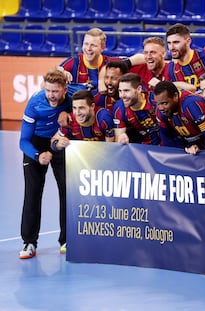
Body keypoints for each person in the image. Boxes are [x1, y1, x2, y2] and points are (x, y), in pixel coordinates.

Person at [19, 69, 72, 259]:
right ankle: (29, 242)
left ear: (64, 89)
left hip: (59, 142)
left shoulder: (71, 97)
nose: (51, 95)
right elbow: (23, 141)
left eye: (55, 91)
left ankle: (66, 240)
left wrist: (68, 113)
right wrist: (37, 155)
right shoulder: (34, 103)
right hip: (36, 144)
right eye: (48, 91)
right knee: (32, 193)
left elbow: (90, 95)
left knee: (67, 191)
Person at [153, 80, 205, 155]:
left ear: (175, 96)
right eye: (158, 103)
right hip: (188, 145)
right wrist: (181, 153)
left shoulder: (192, 105)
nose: (160, 108)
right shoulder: (161, 112)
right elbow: (166, 139)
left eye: (164, 103)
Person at [59, 28, 116, 93]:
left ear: (102, 47)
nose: (88, 48)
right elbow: (57, 71)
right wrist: (62, 72)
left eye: (93, 45)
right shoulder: (75, 61)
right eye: (86, 44)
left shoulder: (109, 64)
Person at [113, 73, 160, 145]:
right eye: (120, 91)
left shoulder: (155, 99)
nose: (122, 96)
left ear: (139, 89)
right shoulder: (119, 108)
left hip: (170, 145)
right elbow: (119, 136)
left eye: (126, 91)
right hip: (145, 147)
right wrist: (122, 138)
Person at [166, 23, 205, 89]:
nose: (171, 47)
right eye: (169, 43)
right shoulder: (172, 68)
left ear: (188, 42)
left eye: (176, 42)